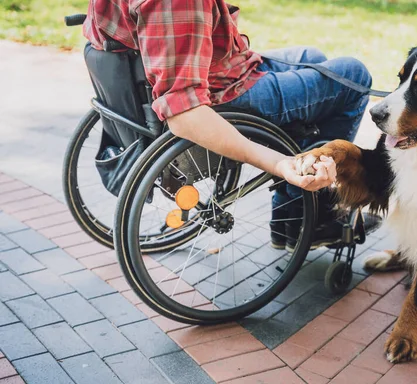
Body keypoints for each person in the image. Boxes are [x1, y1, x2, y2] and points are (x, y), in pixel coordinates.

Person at [83, 0, 380, 251]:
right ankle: (307, 217)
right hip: (222, 96)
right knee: (352, 77)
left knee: (311, 58)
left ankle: (292, 211)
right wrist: (279, 163)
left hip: (218, 68)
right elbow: (184, 111)